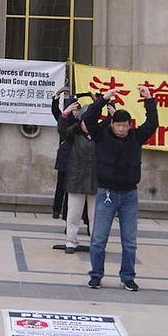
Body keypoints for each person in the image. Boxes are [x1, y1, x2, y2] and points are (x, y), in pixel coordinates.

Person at [81, 86, 158, 292]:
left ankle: (128, 277)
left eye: (125, 126)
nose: (122, 130)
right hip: (106, 192)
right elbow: (88, 119)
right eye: (118, 126)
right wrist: (103, 100)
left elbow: (152, 123)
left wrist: (149, 99)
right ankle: (96, 275)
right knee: (98, 239)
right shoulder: (101, 135)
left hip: (129, 194)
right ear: (113, 124)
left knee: (130, 241)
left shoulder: (136, 137)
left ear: (129, 126)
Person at [58, 100, 96, 254]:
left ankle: (96, 243)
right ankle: (71, 241)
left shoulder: (100, 135)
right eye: (84, 121)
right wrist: (65, 114)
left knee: (95, 217)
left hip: (95, 181)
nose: (87, 124)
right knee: (73, 214)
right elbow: (62, 130)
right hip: (76, 180)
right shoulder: (73, 133)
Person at [51, 87, 72, 220]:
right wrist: (58, 94)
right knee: (60, 187)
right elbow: (55, 110)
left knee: (73, 191)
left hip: (77, 161)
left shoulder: (83, 123)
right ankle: (56, 210)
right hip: (65, 159)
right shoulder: (63, 122)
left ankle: (69, 212)